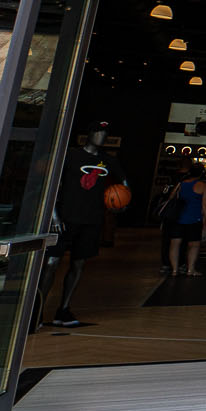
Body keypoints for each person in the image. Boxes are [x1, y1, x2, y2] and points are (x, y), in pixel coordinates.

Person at [44, 124, 126, 328]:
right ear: (87, 134)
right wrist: (54, 216)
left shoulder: (109, 161)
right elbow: (51, 184)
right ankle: (36, 308)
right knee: (51, 263)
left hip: (91, 220)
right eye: (98, 132)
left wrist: (121, 203)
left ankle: (63, 309)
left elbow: (124, 183)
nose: (101, 136)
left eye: (105, 134)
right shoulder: (70, 155)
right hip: (64, 219)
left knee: (78, 264)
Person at [164, 161, 206, 276]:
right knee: (194, 245)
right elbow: (205, 205)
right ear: (201, 173)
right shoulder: (203, 185)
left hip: (178, 217)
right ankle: (191, 270)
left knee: (175, 243)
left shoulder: (181, 184)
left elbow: (171, 198)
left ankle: (174, 270)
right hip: (195, 218)